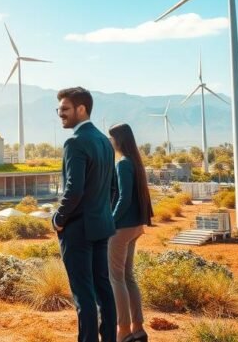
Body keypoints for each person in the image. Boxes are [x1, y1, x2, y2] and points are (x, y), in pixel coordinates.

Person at [53, 87, 117, 342]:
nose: (60, 115)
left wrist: (58, 219)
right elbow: (112, 188)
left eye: (65, 110)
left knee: (83, 295)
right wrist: (101, 212)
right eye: (58, 110)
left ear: (82, 109)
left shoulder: (75, 141)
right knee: (103, 289)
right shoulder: (104, 141)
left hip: (77, 229)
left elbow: (74, 189)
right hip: (101, 226)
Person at [107, 124, 154, 342]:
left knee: (115, 278)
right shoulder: (135, 162)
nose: (109, 141)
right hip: (136, 227)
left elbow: (124, 198)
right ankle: (138, 329)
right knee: (127, 276)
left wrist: (111, 222)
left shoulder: (122, 163)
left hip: (122, 228)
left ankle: (123, 331)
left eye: (111, 138)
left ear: (118, 139)